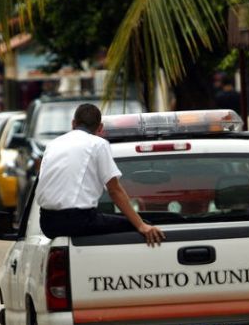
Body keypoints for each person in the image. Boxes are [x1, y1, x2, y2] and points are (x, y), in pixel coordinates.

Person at [35, 104, 166, 246]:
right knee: (140, 225)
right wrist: (141, 225)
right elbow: (115, 191)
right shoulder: (98, 144)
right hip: (78, 221)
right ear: (100, 127)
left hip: (47, 224)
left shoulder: (53, 144)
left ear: (73, 123)